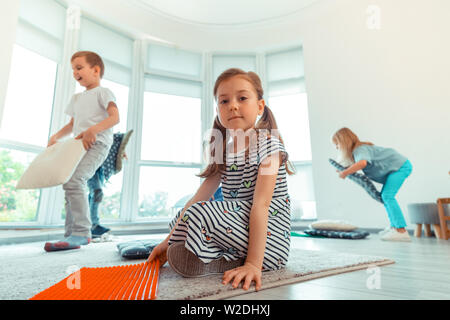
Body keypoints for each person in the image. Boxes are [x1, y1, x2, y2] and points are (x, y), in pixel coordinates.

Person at [148, 68, 294, 291]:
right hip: (240, 225)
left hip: (269, 239)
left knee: (198, 212)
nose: (232, 105)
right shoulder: (223, 151)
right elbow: (199, 196)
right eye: (224, 101)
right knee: (184, 213)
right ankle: (223, 258)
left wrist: (254, 264)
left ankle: (244, 259)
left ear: (260, 107)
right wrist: (166, 242)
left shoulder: (269, 147)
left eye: (242, 98)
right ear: (218, 110)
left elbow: (261, 205)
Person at [44, 51, 119, 251]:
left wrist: (93, 130)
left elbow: (114, 118)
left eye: (79, 68)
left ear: (96, 70)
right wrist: (56, 137)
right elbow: (73, 124)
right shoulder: (77, 98)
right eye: (73, 70)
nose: (75, 72)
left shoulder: (104, 93)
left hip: (98, 144)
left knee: (74, 181)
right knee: (69, 184)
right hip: (79, 146)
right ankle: (70, 234)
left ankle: (81, 232)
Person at [332, 127, 413, 242]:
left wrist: (345, 172)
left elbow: (362, 163)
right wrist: (345, 169)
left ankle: (401, 230)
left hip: (400, 167)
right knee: (385, 197)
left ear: (344, 142)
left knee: (387, 196)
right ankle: (394, 227)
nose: (336, 147)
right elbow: (357, 164)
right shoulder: (359, 151)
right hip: (396, 167)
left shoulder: (360, 149)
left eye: (337, 144)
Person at [88, 130, 133, 239]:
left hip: (98, 169)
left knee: (92, 194)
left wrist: (122, 150)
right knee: (97, 192)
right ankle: (93, 225)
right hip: (91, 166)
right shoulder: (104, 137)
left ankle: (91, 225)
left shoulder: (109, 142)